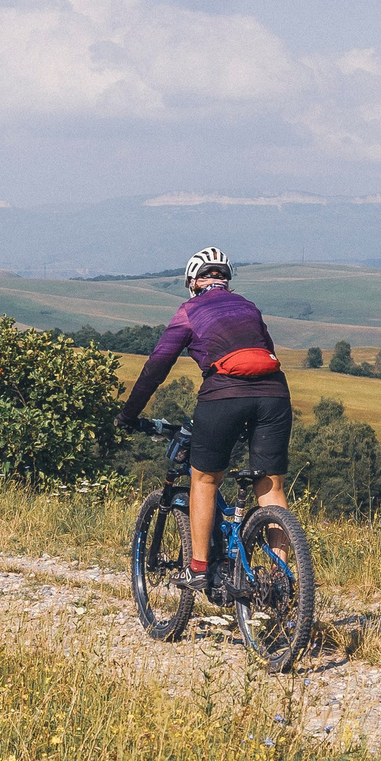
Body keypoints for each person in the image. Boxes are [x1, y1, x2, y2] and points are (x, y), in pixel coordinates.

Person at [115, 248, 293, 597]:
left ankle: (197, 569)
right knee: (271, 487)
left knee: (206, 478)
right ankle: (280, 576)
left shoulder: (190, 310)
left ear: (194, 283)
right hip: (275, 395)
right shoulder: (248, 306)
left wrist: (129, 414)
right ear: (224, 280)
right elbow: (265, 353)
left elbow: (157, 365)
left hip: (222, 396)